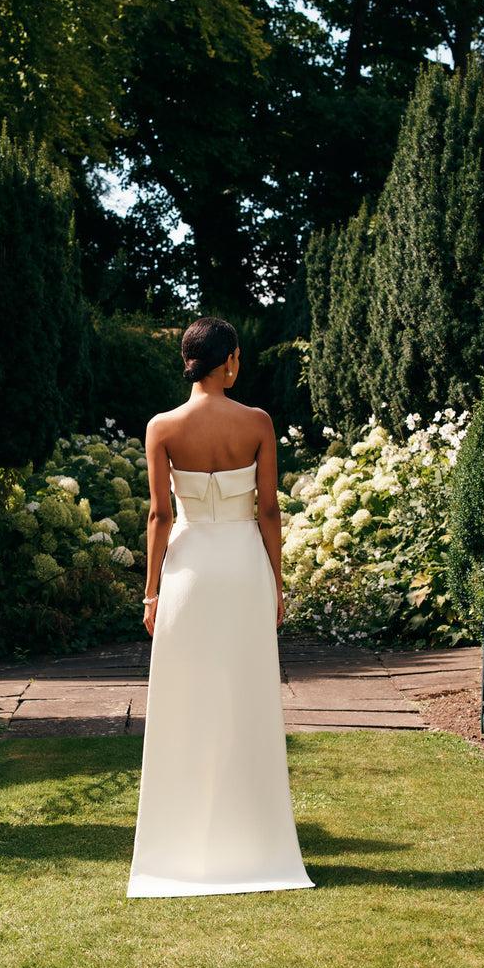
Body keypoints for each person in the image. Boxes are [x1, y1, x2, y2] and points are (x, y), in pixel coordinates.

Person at [126, 316, 315, 898]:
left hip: (187, 570)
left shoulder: (162, 426)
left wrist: (152, 590)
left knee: (184, 700)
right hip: (241, 568)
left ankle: (177, 849)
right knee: (247, 699)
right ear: (228, 360)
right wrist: (278, 581)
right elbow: (269, 512)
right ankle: (255, 844)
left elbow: (159, 516)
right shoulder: (257, 422)